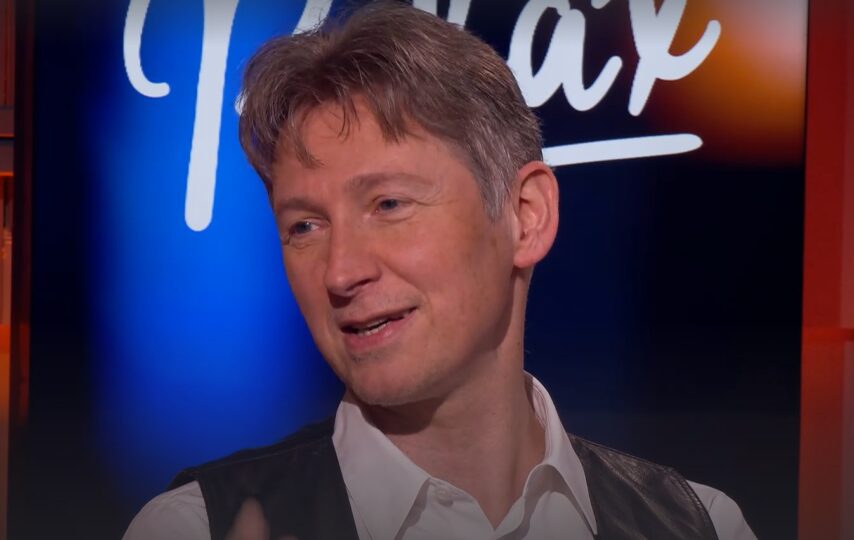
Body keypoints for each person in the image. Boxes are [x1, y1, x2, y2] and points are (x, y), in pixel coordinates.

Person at [124, 2, 755, 539]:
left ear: (526, 216)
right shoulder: (195, 528)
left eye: (388, 205)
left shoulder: (698, 525)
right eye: (305, 227)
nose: (340, 272)